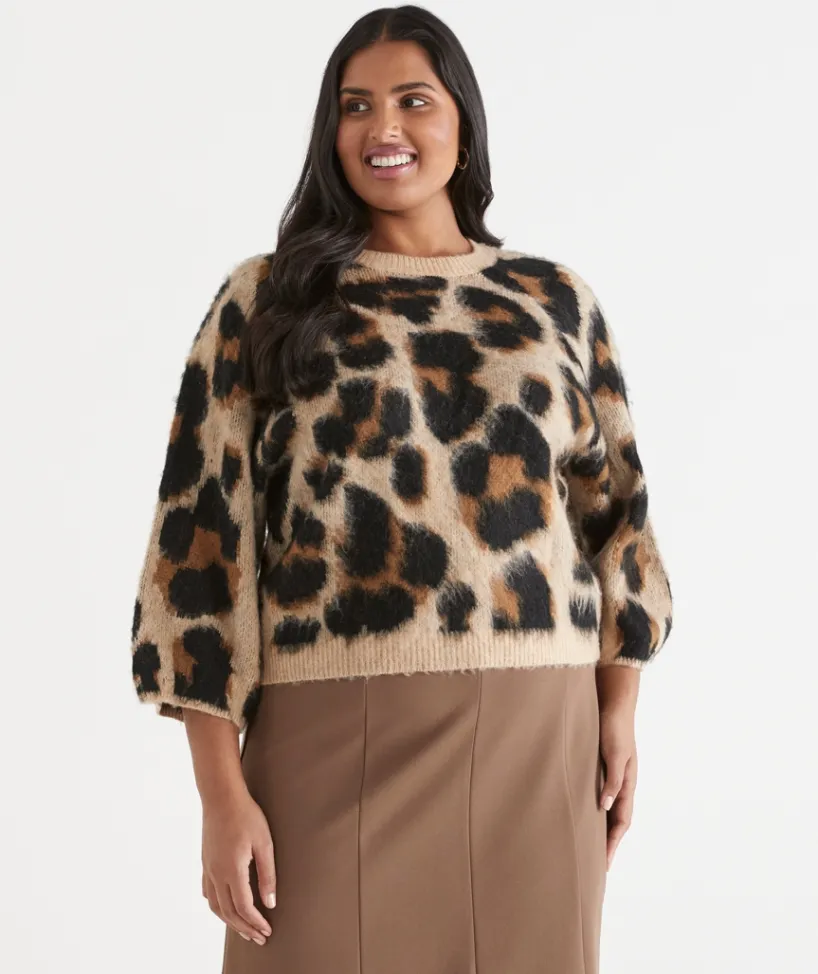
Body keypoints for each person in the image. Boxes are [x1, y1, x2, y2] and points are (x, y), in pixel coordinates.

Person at [129, 6, 673, 973]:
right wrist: (219, 794)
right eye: (356, 106)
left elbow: (617, 521)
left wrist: (618, 712)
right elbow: (200, 549)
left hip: (539, 735)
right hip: (330, 734)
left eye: (414, 101)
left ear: (462, 121)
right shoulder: (268, 299)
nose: (383, 127)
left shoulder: (555, 300)